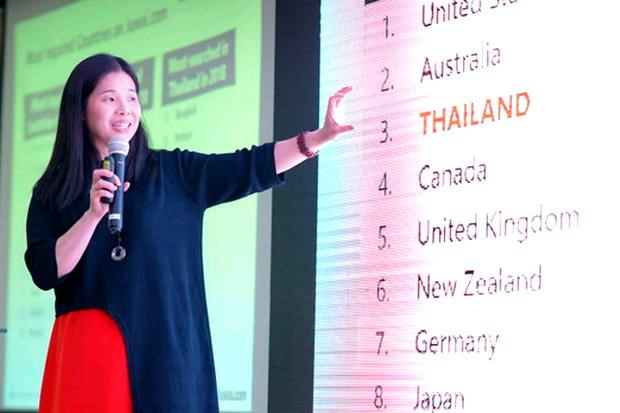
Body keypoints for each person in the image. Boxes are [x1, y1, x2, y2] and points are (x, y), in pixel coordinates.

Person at [24, 53, 353, 412]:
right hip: (92, 354)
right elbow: (45, 272)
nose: (125, 109)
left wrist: (319, 137)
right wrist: (91, 216)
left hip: (169, 355)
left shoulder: (174, 172)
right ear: (80, 109)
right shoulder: (53, 191)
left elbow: (247, 166)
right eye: (109, 98)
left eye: (132, 97)